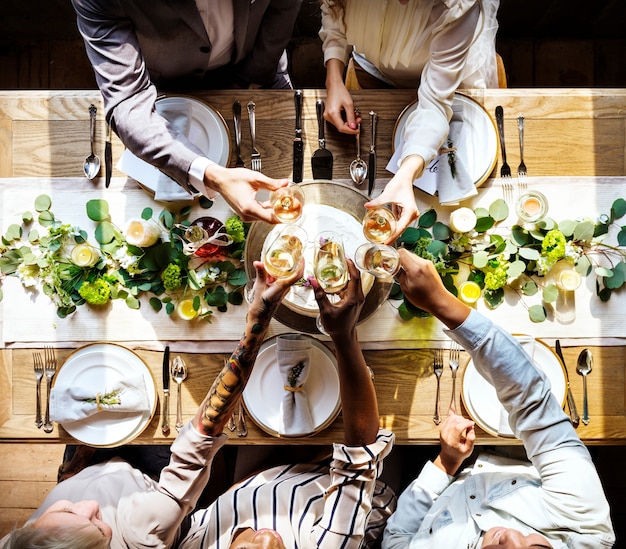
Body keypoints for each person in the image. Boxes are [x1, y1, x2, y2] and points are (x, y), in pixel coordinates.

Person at [1, 258, 305, 549]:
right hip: (152, 479)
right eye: (97, 525)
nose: (90, 506)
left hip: (89, 468)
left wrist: (74, 477)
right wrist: (257, 322)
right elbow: (202, 435)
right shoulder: (144, 533)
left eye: (66, 512)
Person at [381, 248, 615, 548]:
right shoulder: (588, 530)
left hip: (450, 473)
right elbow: (531, 399)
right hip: (526, 461)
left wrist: (446, 463)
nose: (508, 536)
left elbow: (396, 538)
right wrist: (441, 303)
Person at [177, 260, 396, 548]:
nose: (267, 538)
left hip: (260, 482)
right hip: (347, 489)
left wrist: (258, 318)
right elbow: (360, 455)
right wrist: (344, 335)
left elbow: (197, 443)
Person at [70, 0, 302, 222]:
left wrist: (250, 78)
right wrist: (212, 176)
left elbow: (282, 9)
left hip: (254, 65)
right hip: (158, 83)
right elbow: (128, 102)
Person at [319, 0, 500, 241]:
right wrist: (334, 79)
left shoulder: (460, 6)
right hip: (373, 68)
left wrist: (405, 174)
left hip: (448, 77)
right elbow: (334, 9)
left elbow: (435, 102)